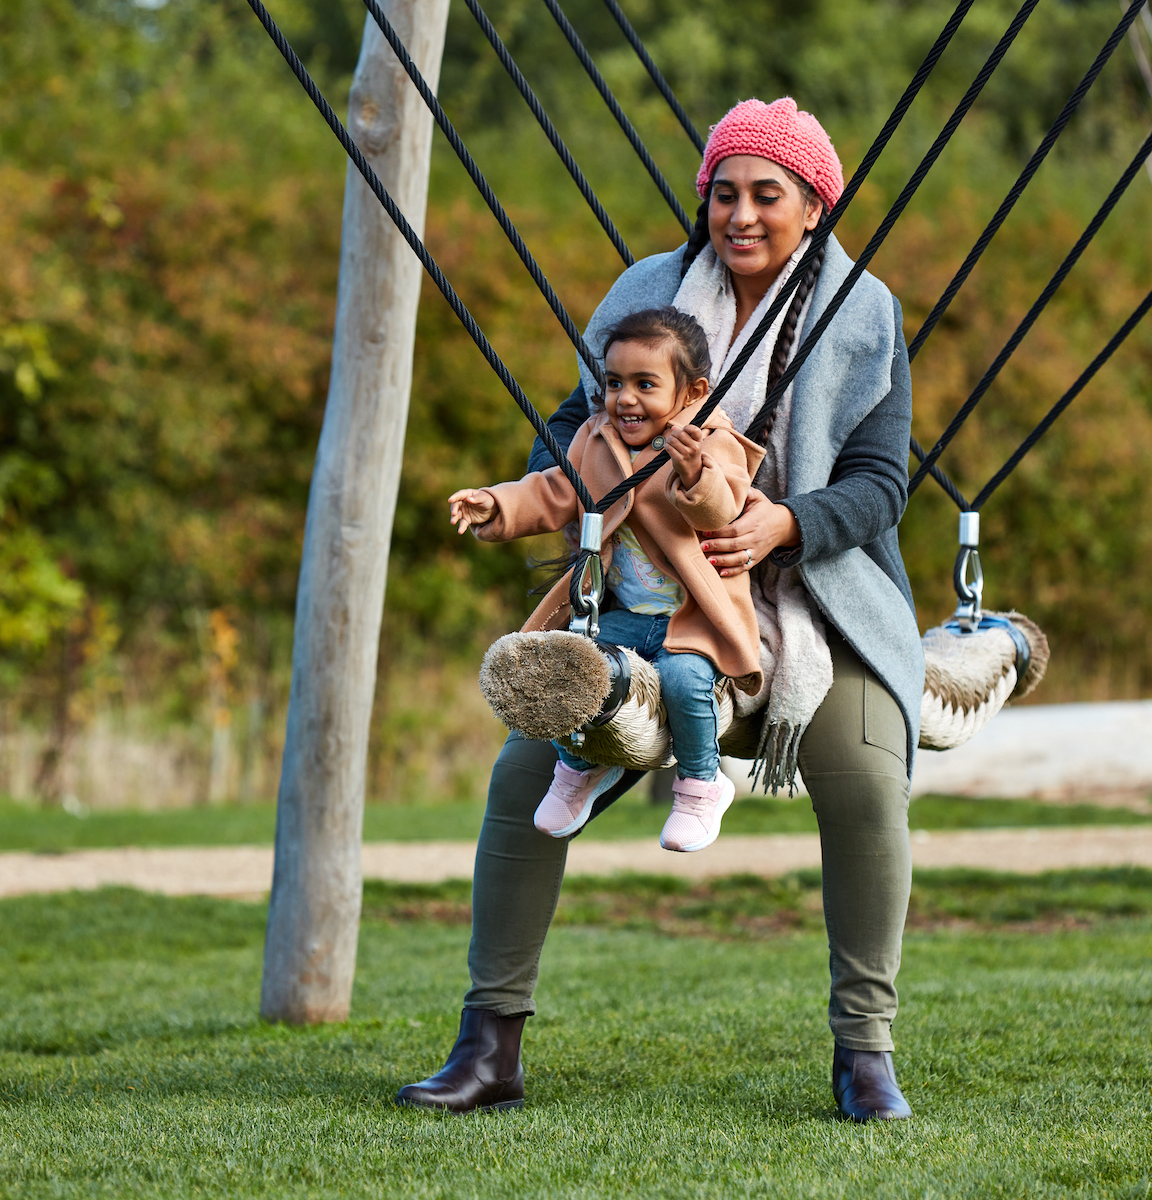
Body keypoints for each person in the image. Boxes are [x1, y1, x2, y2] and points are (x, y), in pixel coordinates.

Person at [398, 97, 922, 1123]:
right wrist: (527, 496)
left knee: (864, 778)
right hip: (651, 589)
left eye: (767, 194)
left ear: (816, 203)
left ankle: (865, 1054)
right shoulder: (646, 290)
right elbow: (575, 426)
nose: (741, 214)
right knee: (522, 774)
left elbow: (880, 483)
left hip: (812, 592)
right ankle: (488, 1042)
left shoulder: (865, 311)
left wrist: (783, 526)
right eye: (723, 192)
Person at [449, 307, 763, 853]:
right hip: (618, 611)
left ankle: (700, 784)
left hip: (688, 620)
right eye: (614, 383)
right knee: (571, 664)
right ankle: (578, 768)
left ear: (693, 392)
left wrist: (694, 476)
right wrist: (495, 503)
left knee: (686, 682)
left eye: (646, 385)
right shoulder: (598, 442)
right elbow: (554, 492)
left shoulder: (712, 444)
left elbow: (722, 508)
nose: (626, 399)